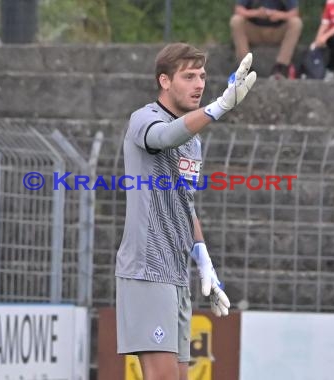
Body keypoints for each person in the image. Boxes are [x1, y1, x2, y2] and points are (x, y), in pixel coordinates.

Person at [115, 43, 257, 380]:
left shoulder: (193, 140)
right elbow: (162, 137)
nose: (199, 84)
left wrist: (204, 262)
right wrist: (219, 106)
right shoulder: (144, 118)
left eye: (203, 76)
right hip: (147, 270)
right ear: (164, 81)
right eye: (189, 76)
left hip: (176, 274)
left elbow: (184, 203)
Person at [230, 0, 303, 79]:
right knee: (236, 20)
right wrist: (256, 13)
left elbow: (295, 13)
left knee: (296, 22)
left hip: (277, 32)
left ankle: (281, 67)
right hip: (254, 31)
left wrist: (279, 15)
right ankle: (245, 67)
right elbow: (238, 10)